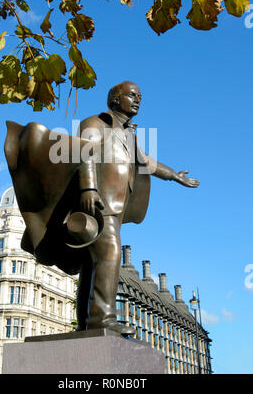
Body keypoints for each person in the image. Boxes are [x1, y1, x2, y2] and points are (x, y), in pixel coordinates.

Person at [75, 81, 199, 335]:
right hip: (100, 203)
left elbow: (147, 163)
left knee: (92, 265)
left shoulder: (128, 135)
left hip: (117, 207)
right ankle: (102, 320)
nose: (138, 100)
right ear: (114, 98)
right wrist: (88, 188)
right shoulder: (95, 124)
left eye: (140, 96)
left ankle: (86, 324)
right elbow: (83, 154)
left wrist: (174, 175)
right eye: (132, 95)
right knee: (109, 255)